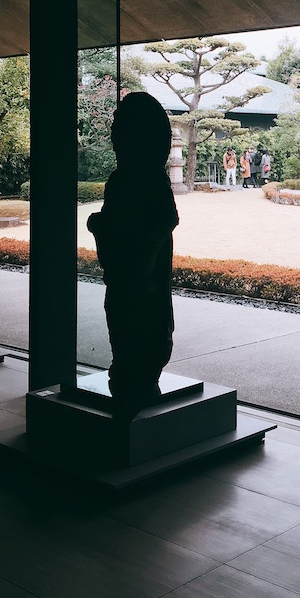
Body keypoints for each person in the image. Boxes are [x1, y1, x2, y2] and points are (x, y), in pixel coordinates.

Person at [86, 92, 179, 410]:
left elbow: (167, 217)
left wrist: (146, 255)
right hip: (124, 279)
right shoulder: (120, 180)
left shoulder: (152, 179)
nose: (113, 135)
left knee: (146, 338)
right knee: (122, 334)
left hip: (145, 279)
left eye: (119, 127)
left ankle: (140, 389)